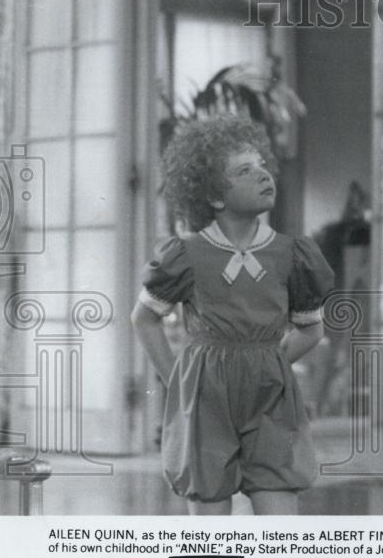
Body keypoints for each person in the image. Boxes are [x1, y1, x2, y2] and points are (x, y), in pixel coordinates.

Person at [130, 115, 334, 515]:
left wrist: (270, 360)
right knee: (210, 521)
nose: (263, 175)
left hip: (270, 398)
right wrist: (177, 381)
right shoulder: (186, 255)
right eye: (244, 170)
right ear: (215, 197)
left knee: (280, 514)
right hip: (204, 399)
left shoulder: (291, 254)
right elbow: (144, 318)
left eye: (262, 166)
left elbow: (311, 329)